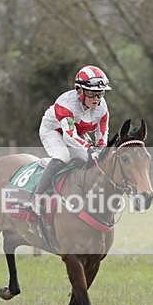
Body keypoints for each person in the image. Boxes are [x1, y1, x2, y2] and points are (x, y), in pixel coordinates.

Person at [30, 65, 111, 206]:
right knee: (63, 156)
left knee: (91, 160)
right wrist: (90, 147)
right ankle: (37, 196)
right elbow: (69, 135)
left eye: (101, 93)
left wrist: (101, 150)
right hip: (53, 131)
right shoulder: (66, 103)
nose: (97, 99)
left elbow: (102, 133)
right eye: (92, 93)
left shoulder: (102, 106)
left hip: (77, 134)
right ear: (80, 91)